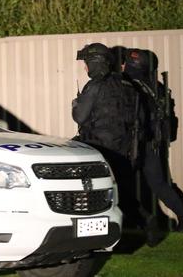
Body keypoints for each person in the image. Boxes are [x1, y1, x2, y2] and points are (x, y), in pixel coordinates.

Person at [123, 48, 183, 232]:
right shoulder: (154, 85)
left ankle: (144, 222)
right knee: (159, 183)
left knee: (128, 183)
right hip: (154, 142)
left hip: (140, 141)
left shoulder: (131, 85)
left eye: (125, 63)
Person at [72, 43, 149, 230]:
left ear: (95, 63)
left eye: (87, 62)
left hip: (100, 148)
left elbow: (79, 116)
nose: (85, 67)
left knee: (94, 190)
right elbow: (141, 118)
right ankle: (146, 222)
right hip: (125, 149)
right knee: (121, 191)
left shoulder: (95, 85)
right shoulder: (126, 84)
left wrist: (75, 104)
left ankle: (90, 229)